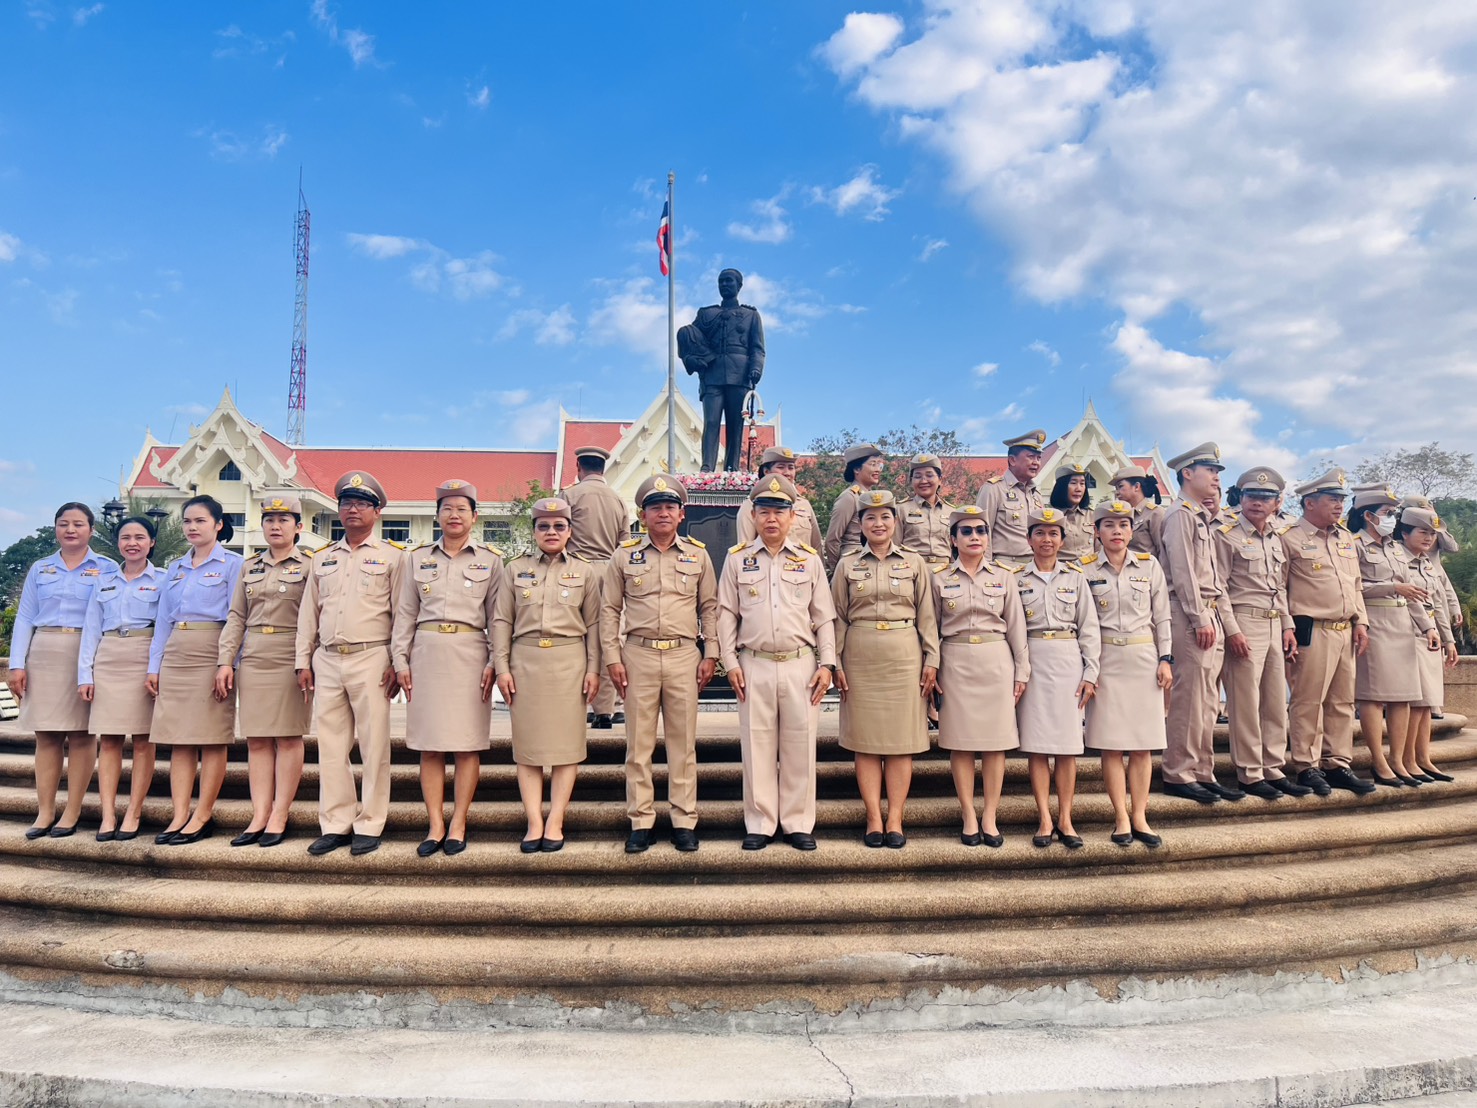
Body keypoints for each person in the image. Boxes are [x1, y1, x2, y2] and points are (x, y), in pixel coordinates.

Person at [718, 475, 837, 851]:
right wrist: (729, 662)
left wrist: (827, 664)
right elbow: (726, 614)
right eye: (765, 512)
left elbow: (824, 616)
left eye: (779, 512)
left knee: (800, 746)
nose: (772, 519)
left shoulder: (809, 560)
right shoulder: (737, 559)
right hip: (754, 663)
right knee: (757, 746)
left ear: (791, 517)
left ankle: (798, 822)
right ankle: (761, 821)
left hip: (800, 664)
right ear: (753, 516)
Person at [602, 475, 717, 854]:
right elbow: (609, 610)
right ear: (643, 515)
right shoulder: (624, 556)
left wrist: (711, 653)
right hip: (639, 655)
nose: (663, 513)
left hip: (684, 655)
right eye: (655, 507)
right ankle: (641, 821)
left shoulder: (698, 555)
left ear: (682, 514)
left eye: (670, 507)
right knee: (639, 745)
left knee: (683, 745)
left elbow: (709, 608)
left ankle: (683, 820)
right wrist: (612, 657)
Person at [296, 471, 406, 857]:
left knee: (374, 745)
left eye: (361, 503)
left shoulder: (394, 558)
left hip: (372, 657)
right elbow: (309, 614)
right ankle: (336, 822)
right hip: (327, 659)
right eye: (346, 503)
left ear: (377, 511)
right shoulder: (322, 558)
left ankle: (370, 822)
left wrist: (397, 660)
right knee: (330, 746)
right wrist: (303, 660)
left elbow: (402, 615)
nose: (352, 509)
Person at [391, 480, 501, 857]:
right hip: (426, 654)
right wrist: (400, 659)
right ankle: (435, 823)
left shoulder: (491, 561)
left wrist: (495, 660)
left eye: (461, 509)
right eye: (447, 508)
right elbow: (405, 614)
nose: (454, 515)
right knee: (430, 746)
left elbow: (497, 618)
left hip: (470, 655)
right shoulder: (416, 558)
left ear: (474, 516)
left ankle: (459, 822)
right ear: (437, 515)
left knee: (468, 745)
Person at [832, 489, 940, 849]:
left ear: (895, 521)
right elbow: (838, 617)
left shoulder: (914, 562)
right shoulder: (847, 564)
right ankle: (873, 818)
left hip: (904, 656)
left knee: (900, 744)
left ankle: (895, 817)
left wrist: (932, 659)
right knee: (864, 743)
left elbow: (927, 615)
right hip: (860, 657)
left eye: (885, 517)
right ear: (860, 524)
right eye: (870, 518)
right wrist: (835, 662)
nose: (878, 524)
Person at [493, 497, 601, 852]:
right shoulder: (515, 569)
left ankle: (555, 819)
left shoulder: (585, 571)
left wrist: (594, 668)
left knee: (567, 747)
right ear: (534, 531)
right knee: (528, 748)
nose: (551, 532)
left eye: (559, 526)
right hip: (525, 662)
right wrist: (502, 667)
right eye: (544, 526)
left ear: (569, 531)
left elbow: (595, 624)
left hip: (570, 662)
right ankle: (534, 820)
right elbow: (502, 621)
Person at [11, 502, 116, 839]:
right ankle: (45, 811)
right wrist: (16, 664)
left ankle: (72, 811)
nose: (70, 530)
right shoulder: (41, 568)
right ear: (56, 528)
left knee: (82, 734)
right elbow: (25, 617)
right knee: (46, 735)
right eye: (63, 523)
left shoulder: (107, 567)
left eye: (78, 524)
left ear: (91, 530)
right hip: (44, 651)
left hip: (87, 652)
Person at [213, 496, 313, 848]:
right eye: (269, 519)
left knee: (288, 737)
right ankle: (260, 813)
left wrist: (306, 660)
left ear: (298, 527)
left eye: (284, 520)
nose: (275, 526)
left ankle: (280, 813)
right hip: (254, 654)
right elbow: (236, 617)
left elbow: (313, 617)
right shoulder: (249, 567)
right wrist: (226, 660)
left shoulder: (310, 566)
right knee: (256, 739)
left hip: (290, 654)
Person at [146, 495, 244, 845]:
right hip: (176, 651)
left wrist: (228, 662)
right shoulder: (175, 568)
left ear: (218, 525)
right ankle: (179, 814)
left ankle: (202, 814)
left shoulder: (234, 565)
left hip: (212, 650)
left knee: (212, 737)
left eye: (200, 520)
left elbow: (237, 618)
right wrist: (155, 665)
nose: (192, 527)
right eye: (187, 520)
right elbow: (162, 621)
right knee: (179, 739)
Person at [930, 504, 1028, 847]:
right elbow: (931, 628)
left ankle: (990, 814)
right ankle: (968, 813)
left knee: (995, 744)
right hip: (955, 661)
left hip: (996, 661)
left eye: (981, 531)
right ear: (953, 539)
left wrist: (1022, 671)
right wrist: (932, 667)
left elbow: (1016, 627)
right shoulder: (939, 577)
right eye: (966, 531)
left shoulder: (1004, 576)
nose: (975, 537)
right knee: (960, 743)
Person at [1212, 469, 1309, 800]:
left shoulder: (1275, 537)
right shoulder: (1226, 535)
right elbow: (1219, 589)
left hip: (1273, 624)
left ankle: (1273, 767)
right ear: (1241, 498)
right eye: (1251, 496)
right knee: (1245, 702)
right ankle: (1250, 772)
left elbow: (1278, 586)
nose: (1257, 502)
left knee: (1274, 701)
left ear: (1277, 502)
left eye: (1266, 498)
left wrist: (1287, 625)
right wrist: (1232, 630)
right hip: (1244, 622)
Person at [1281, 468, 1375, 796]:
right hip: (1312, 629)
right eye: (1332, 499)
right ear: (1310, 502)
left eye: (1341, 499)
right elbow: (1278, 588)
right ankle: (1307, 765)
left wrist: (1361, 621)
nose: (1339, 505)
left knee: (1342, 702)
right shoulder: (1289, 537)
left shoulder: (1345, 537)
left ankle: (1337, 763)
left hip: (1345, 629)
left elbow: (1355, 584)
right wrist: (1286, 626)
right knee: (1308, 701)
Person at [1083, 501, 1170, 846]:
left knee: (1142, 746)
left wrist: (1166, 658)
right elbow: (1084, 623)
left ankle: (1140, 816)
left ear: (1132, 531)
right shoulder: (1084, 569)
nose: (1116, 531)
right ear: (1097, 531)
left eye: (1123, 525)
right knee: (1111, 746)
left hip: (1142, 657)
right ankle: (1120, 816)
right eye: (1109, 525)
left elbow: (1162, 616)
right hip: (1106, 660)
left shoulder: (1149, 566)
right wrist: (1090, 668)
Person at [1015, 507, 1100, 849]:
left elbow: (1089, 627)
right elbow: (1013, 628)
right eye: (1039, 533)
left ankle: (1065, 818)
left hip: (1067, 659)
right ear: (1029, 539)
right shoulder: (1016, 578)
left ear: (1062, 540)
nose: (1046, 539)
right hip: (1033, 660)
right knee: (1037, 747)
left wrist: (1091, 671)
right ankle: (1044, 818)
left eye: (1053, 534)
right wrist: (1019, 671)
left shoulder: (1075, 578)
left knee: (1067, 748)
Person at [1158, 443, 1236, 803]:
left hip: (1209, 611)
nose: (1217, 478)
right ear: (1187, 473)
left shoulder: (1200, 516)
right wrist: (1199, 616)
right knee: (1189, 698)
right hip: (1191, 614)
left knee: (1207, 700)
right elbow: (1183, 571)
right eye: (1210, 471)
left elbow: (1212, 576)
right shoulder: (1180, 514)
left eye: (1218, 472)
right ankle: (1178, 772)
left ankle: (1202, 770)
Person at [79, 515, 163, 841]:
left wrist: (156, 668)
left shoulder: (163, 580)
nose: (132, 543)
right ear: (117, 543)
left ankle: (134, 812)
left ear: (151, 543)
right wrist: (85, 674)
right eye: (126, 537)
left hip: (144, 655)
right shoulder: (103, 581)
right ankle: (108, 814)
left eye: (140, 537)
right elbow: (90, 629)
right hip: (109, 656)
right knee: (110, 740)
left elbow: (165, 629)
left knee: (143, 741)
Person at [1350, 485, 1437, 787]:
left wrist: (1427, 627)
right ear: (1368, 515)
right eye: (1387, 513)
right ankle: (1378, 761)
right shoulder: (1354, 545)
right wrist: (1391, 587)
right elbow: (1352, 588)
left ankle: (1398, 760)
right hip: (1374, 622)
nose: (1391, 518)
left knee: (1404, 698)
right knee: (1373, 697)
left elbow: (1412, 593)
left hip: (1403, 624)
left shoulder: (1396, 548)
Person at [562, 444, 630, 728]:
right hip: (611, 569)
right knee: (609, 637)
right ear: (603, 469)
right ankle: (611, 706)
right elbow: (625, 544)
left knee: (577, 638)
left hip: (576, 572)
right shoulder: (618, 500)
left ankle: (586, 703)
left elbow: (559, 535)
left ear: (579, 468)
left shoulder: (569, 496)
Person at [677, 267, 766, 473]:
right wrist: (692, 359)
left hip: (739, 374)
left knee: (735, 425)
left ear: (739, 285)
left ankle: (732, 468)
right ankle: (707, 466)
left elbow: (757, 348)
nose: (724, 284)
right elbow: (690, 338)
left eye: (729, 281)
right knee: (711, 421)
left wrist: (756, 368)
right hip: (712, 372)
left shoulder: (751, 315)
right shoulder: (707, 314)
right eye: (721, 281)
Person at [1397, 507, 1459, 781]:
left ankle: (1423, 758)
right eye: (1423, 532)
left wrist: (1449, 640)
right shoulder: (1398, 559)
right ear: (1404, 532)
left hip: (1431, 635)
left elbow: (1438, 604)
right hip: (1409, 633)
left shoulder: (1427, 563)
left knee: (1428, 702)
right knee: (1416, 701)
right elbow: (1410, 601)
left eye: (1432, 534)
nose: (1429, 538)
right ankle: (1407, 760)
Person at [974, 429, 1048, 567]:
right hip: (1005, 566)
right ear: (1012, 460)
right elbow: (982, 531)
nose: (1036, 463)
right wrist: (985, 568)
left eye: (1038, 458)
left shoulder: (1036, 495)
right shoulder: (994, 489)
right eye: (1031, 457)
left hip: (1034, 566)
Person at [735, 446, 823, 551]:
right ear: (766, 471)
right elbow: (746, 550)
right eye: (781, 467)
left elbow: (816, 547)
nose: (787, 473)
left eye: (791, 467)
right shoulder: (751, 505)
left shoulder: (804, 504)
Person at [823, 442, 885, 571]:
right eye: (872, 464)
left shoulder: (870, 496)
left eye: (879, 465)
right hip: (853, 563)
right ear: (857, 469)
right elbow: (832, 539)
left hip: (873, 561)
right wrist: (838, 570)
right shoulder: (849, 497)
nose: (878, 469)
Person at [899, 453, 955, 567]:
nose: (923, 481)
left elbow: (956, 548)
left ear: (940, 480)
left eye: (929, 475)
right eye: (918, 476)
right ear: (911, 481)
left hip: (944, 570)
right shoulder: (901, 509)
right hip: (912, 568)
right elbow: (894, 546)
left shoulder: (951, 511)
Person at [1109, 464, 1166, 558]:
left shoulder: (1155, 513)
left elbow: (1163, 551)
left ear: (1136, 486)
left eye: (1120, 486)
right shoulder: (1122, 515)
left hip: (1148, 566)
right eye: (1116, 488)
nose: (1117, 492)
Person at [1049, 463, 1096, 560]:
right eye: (1073, 483)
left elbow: (1100, 548)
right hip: (1062, 567)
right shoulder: (1051, 517)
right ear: (1061, 486)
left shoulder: (1092, 515)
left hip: (1089, 567)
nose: (1078, 489)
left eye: (1082, 484)